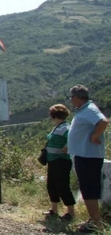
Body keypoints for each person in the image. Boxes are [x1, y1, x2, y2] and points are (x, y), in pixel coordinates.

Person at [67, 84, 109, 233]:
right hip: (84, 155)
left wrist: (95, 135)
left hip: (89, 156)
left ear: (77, 98)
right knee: (87, 188)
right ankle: (93, 219)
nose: (71, 100)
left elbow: (103, 122)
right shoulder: (84, 110)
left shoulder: (90, 109)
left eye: (71, 97)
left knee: (89, 189)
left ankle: (96, 224)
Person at [43, 104, 75, 221]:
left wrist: (66, 148)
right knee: (51, 185)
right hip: (53, 161)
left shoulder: (65, 127)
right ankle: (54, 209)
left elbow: (72, 139)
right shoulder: (58, 127)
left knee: (63, 186)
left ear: (54, 116)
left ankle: (70, 212)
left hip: (61, 161)